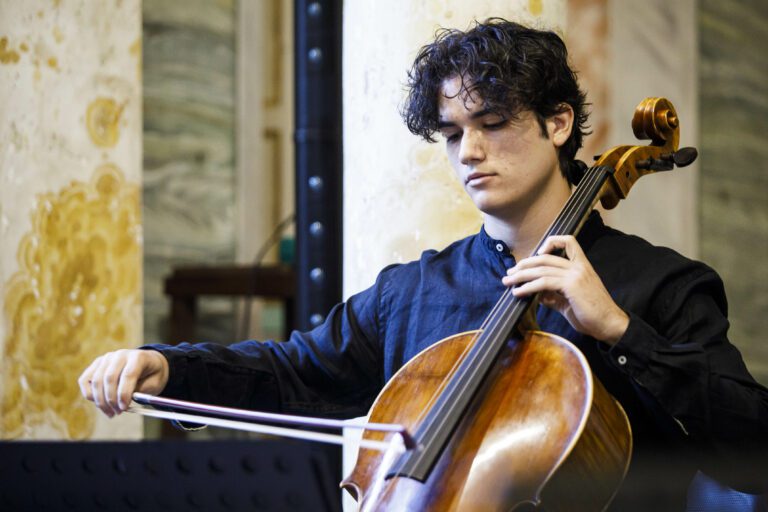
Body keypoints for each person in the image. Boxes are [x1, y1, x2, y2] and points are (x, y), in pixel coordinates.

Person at [79, 18, 768, 509]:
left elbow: (751, 447)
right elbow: (293, 372)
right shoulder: (414, 292)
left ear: (558, 124)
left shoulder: (661, 285)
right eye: (451, 134)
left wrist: (620, 333)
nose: (468, 152)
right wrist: (169, 367)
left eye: (492, 122)